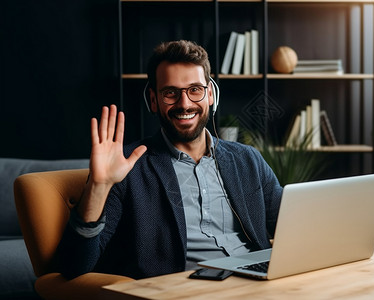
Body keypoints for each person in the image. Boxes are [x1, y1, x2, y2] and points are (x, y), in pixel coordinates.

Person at [58, 40, 283, 279]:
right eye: (170, 93)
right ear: (153, 100)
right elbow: (75, 266)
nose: (184, 104)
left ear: (210, 95)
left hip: (257, 281)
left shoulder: (248, 159)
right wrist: (98, 186)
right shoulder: (127, 167)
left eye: (195, 89)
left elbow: (295, 227)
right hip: (183, 289)